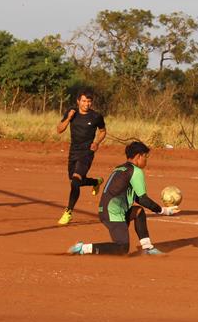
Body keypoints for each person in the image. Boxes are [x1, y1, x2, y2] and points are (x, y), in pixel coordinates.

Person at [67, 141, 179, 256]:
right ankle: (83, 248)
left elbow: (137, 199)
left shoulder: (120, 168)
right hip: (112, 212)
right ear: (138, 156)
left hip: (108, 209)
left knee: (138, 212)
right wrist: (164, 211)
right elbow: (144, 199)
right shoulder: (135, 171)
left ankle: (148, 248)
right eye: (145, 157)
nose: (146, 160)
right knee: (122, 248)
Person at [56, 90, 107, 225]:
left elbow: (103, 131)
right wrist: (68, 118)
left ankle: (68, 212)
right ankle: (95, 182)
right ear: (78, 101)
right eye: (84, 101)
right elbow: (59, 130)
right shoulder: (71, 112)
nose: (87, 104)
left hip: (87, 153)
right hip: (73, 152)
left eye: (89, 101)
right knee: (74, 180)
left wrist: (96, 142)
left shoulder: (96, 116)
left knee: (75, 181)